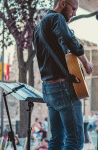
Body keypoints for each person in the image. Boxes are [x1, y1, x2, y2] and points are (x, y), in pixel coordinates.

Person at [33, 0, 93, 149]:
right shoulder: (57, 18)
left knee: (56, 139)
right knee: (75, 139)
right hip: (63, 88)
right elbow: (69, 40)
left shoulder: (39, 27)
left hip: (48, 89)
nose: (74, 13)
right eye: (73, 9)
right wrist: (85, 63)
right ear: (62, 3)